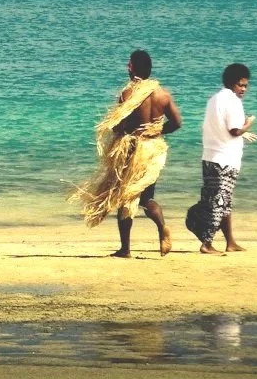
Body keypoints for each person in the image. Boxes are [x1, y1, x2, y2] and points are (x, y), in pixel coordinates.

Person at [73, 49, 183, 257]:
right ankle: (162, 228)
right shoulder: (163, 94)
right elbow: (176, 123)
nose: (127, 67)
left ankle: (125, 249)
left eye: (129, 64)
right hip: (153, 150)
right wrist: (157, 130)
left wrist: (118, 131)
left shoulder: (128, 94)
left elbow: (121, 124)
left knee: (124, 198)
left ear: (134, 68)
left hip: (134, 150)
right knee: (147, 198)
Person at [189, 63, 257, 255]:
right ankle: (207, 243)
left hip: (210, 156)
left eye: (245, 85)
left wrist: (241, 132)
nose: (243, 89)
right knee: (219, 203)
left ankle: (230, 241)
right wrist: (248, 123)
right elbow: (234, 130)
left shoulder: (214, 99)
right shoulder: (233, 102)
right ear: (231, 83)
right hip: (225, 160)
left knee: (223, 202)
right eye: (240, 85)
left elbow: (218, 127)